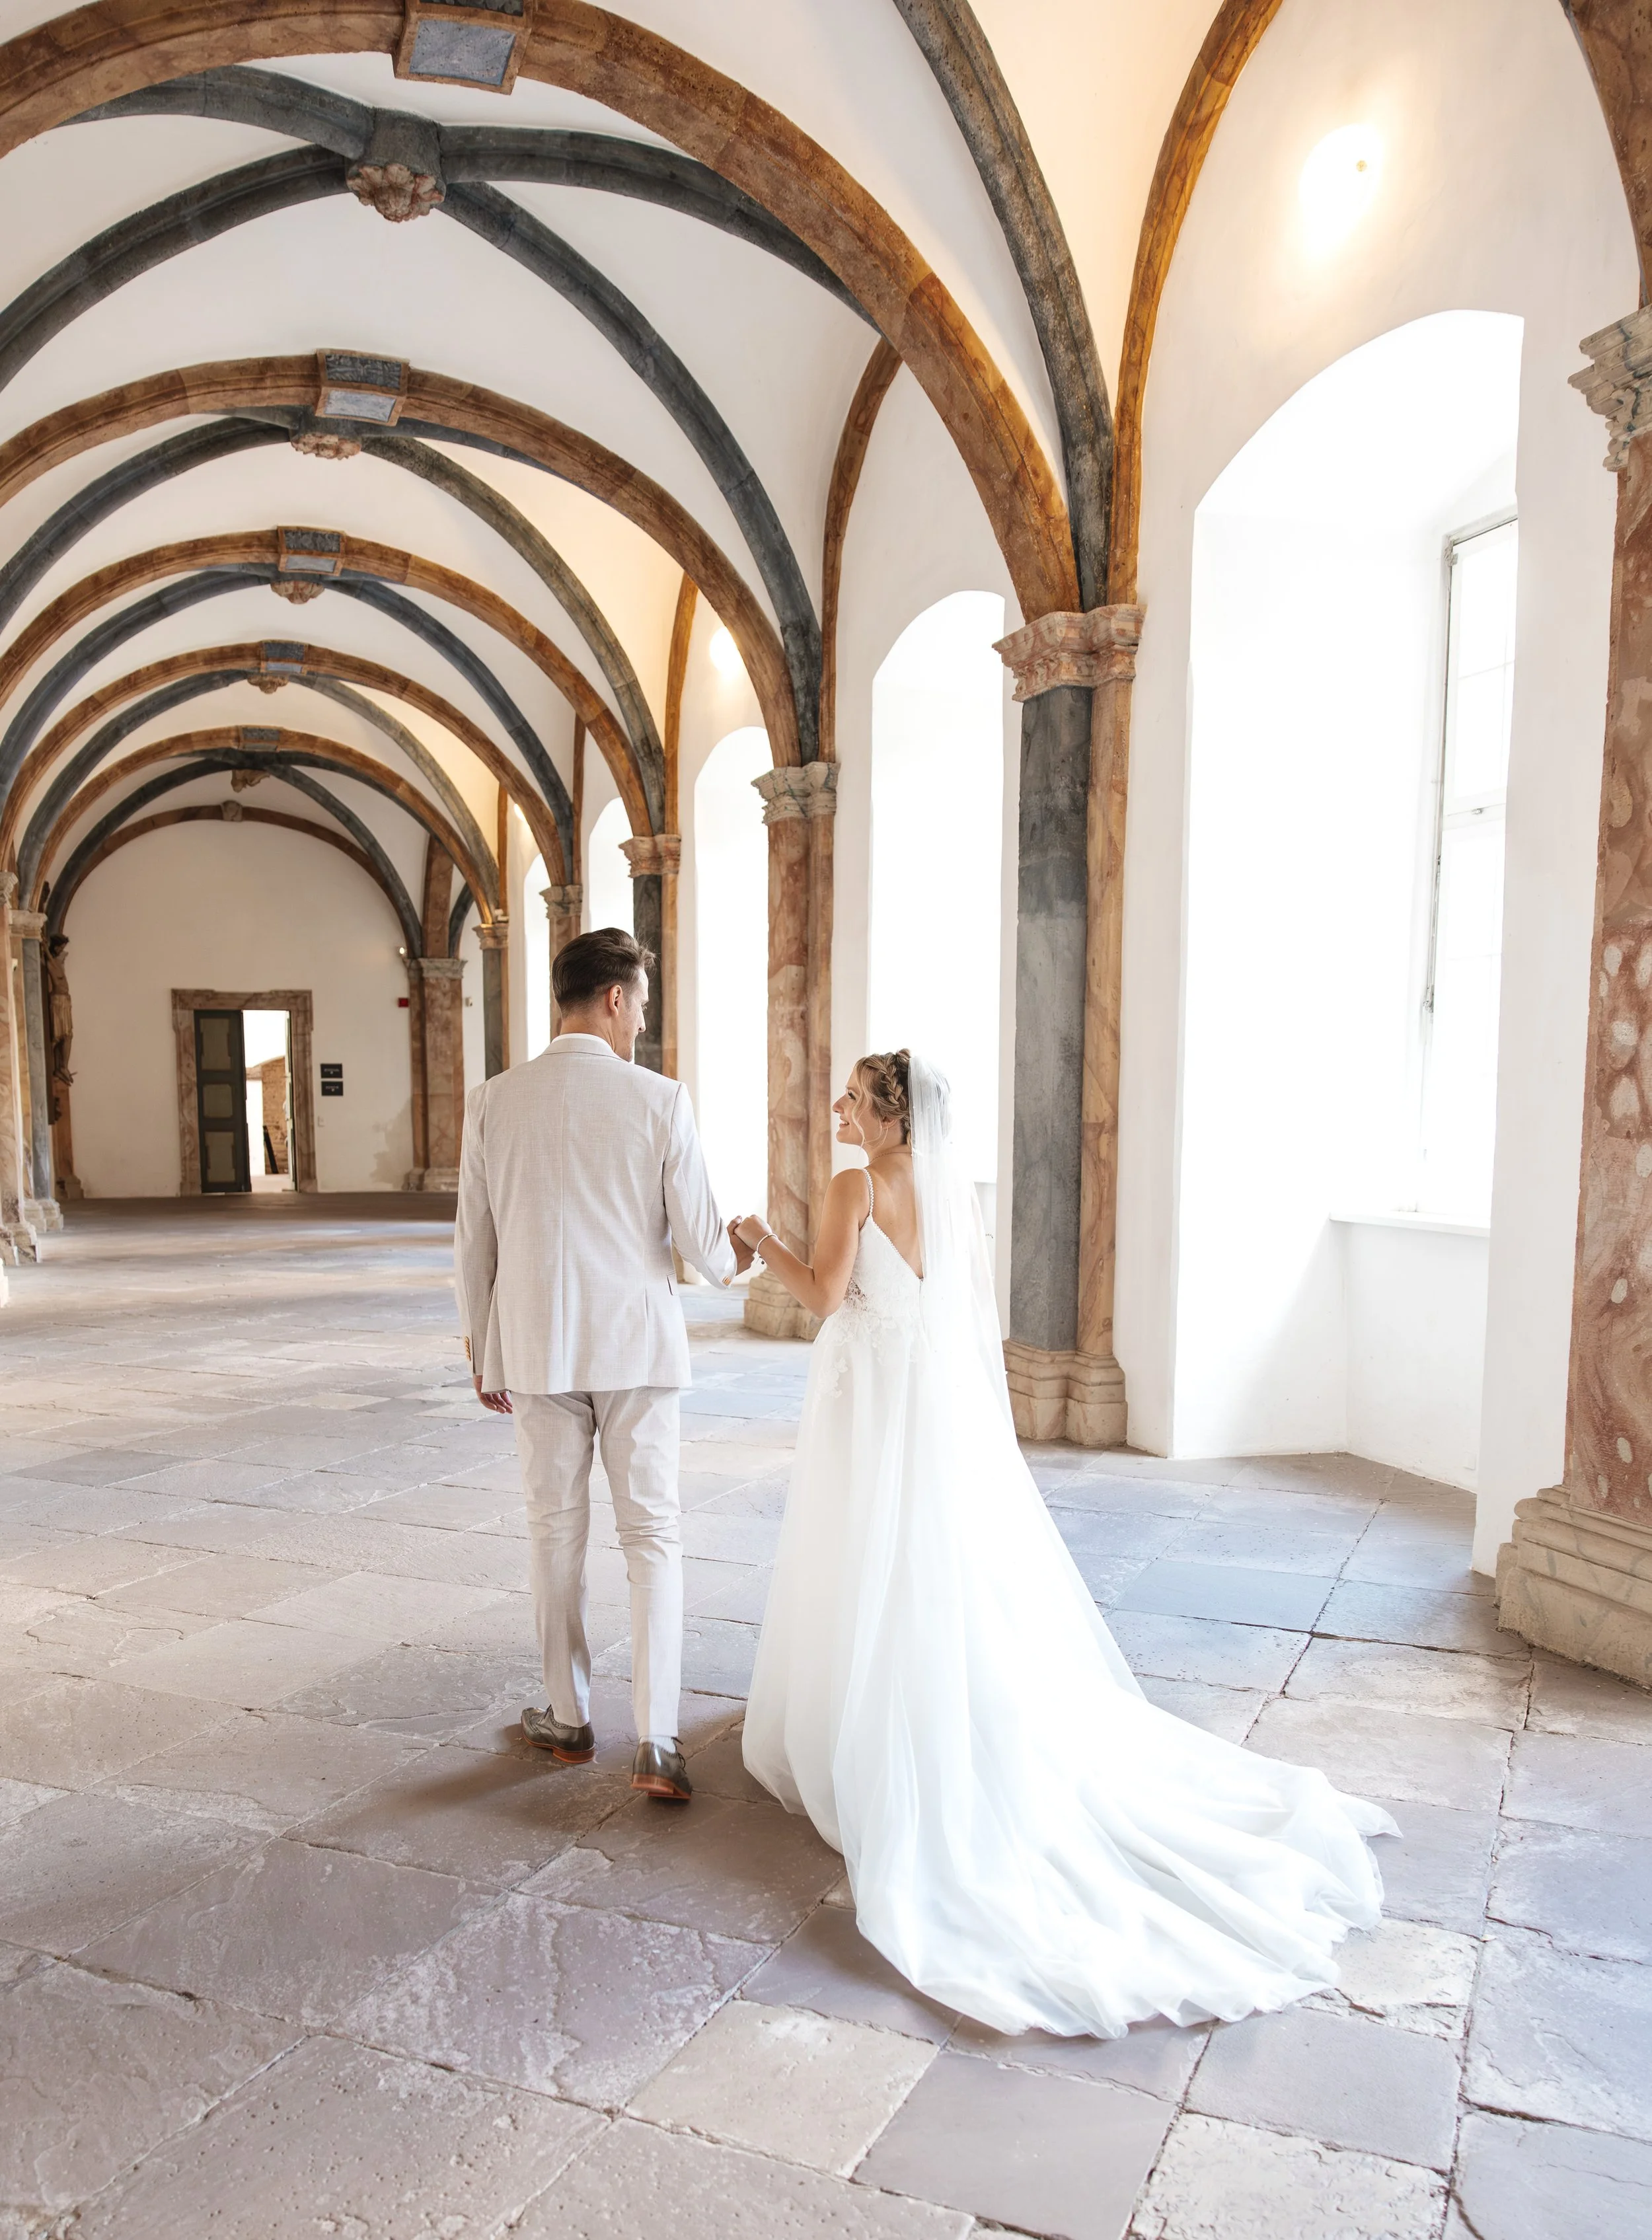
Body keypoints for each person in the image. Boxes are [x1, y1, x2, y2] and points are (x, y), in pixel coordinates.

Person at [735, 1049, 1398, 2038]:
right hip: (925, 1406)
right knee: (926, 1562)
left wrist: (760, 1238)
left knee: (867, 1554)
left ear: (890, 1117)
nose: (839, 1105)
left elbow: (827, 1297)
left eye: (856, 1096)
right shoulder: (947, 1194)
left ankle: (873, 1718)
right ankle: (924, 1690)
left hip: (871, 1405)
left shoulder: (853, 1186)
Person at [454, 927, 752, 1804]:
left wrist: (481, 1345)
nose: (642, 1023)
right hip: (637, 1348)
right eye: (641, 1006)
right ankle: (656, 1741)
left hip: (536, 1346)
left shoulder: (493, 1100)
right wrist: (741, 1254)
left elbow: (474, 1240)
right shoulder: (661, 1099)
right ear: (616, 998)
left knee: (554, 1530)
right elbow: (704, 1247)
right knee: (652, 1535)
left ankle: (568, 1715)